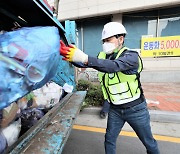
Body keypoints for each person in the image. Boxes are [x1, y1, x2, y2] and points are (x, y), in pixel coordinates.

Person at [60, 22, 160, 154]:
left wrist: (84, 58)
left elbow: (112, 66)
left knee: (148, 142)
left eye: (108, 40)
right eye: (104, 41)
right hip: (115, 109)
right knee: (109, 139)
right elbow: (88, 63)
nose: (105, 43)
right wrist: (70, 56)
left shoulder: (131, 56)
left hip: (135, 109)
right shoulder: (102, 56)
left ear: (121, 39)